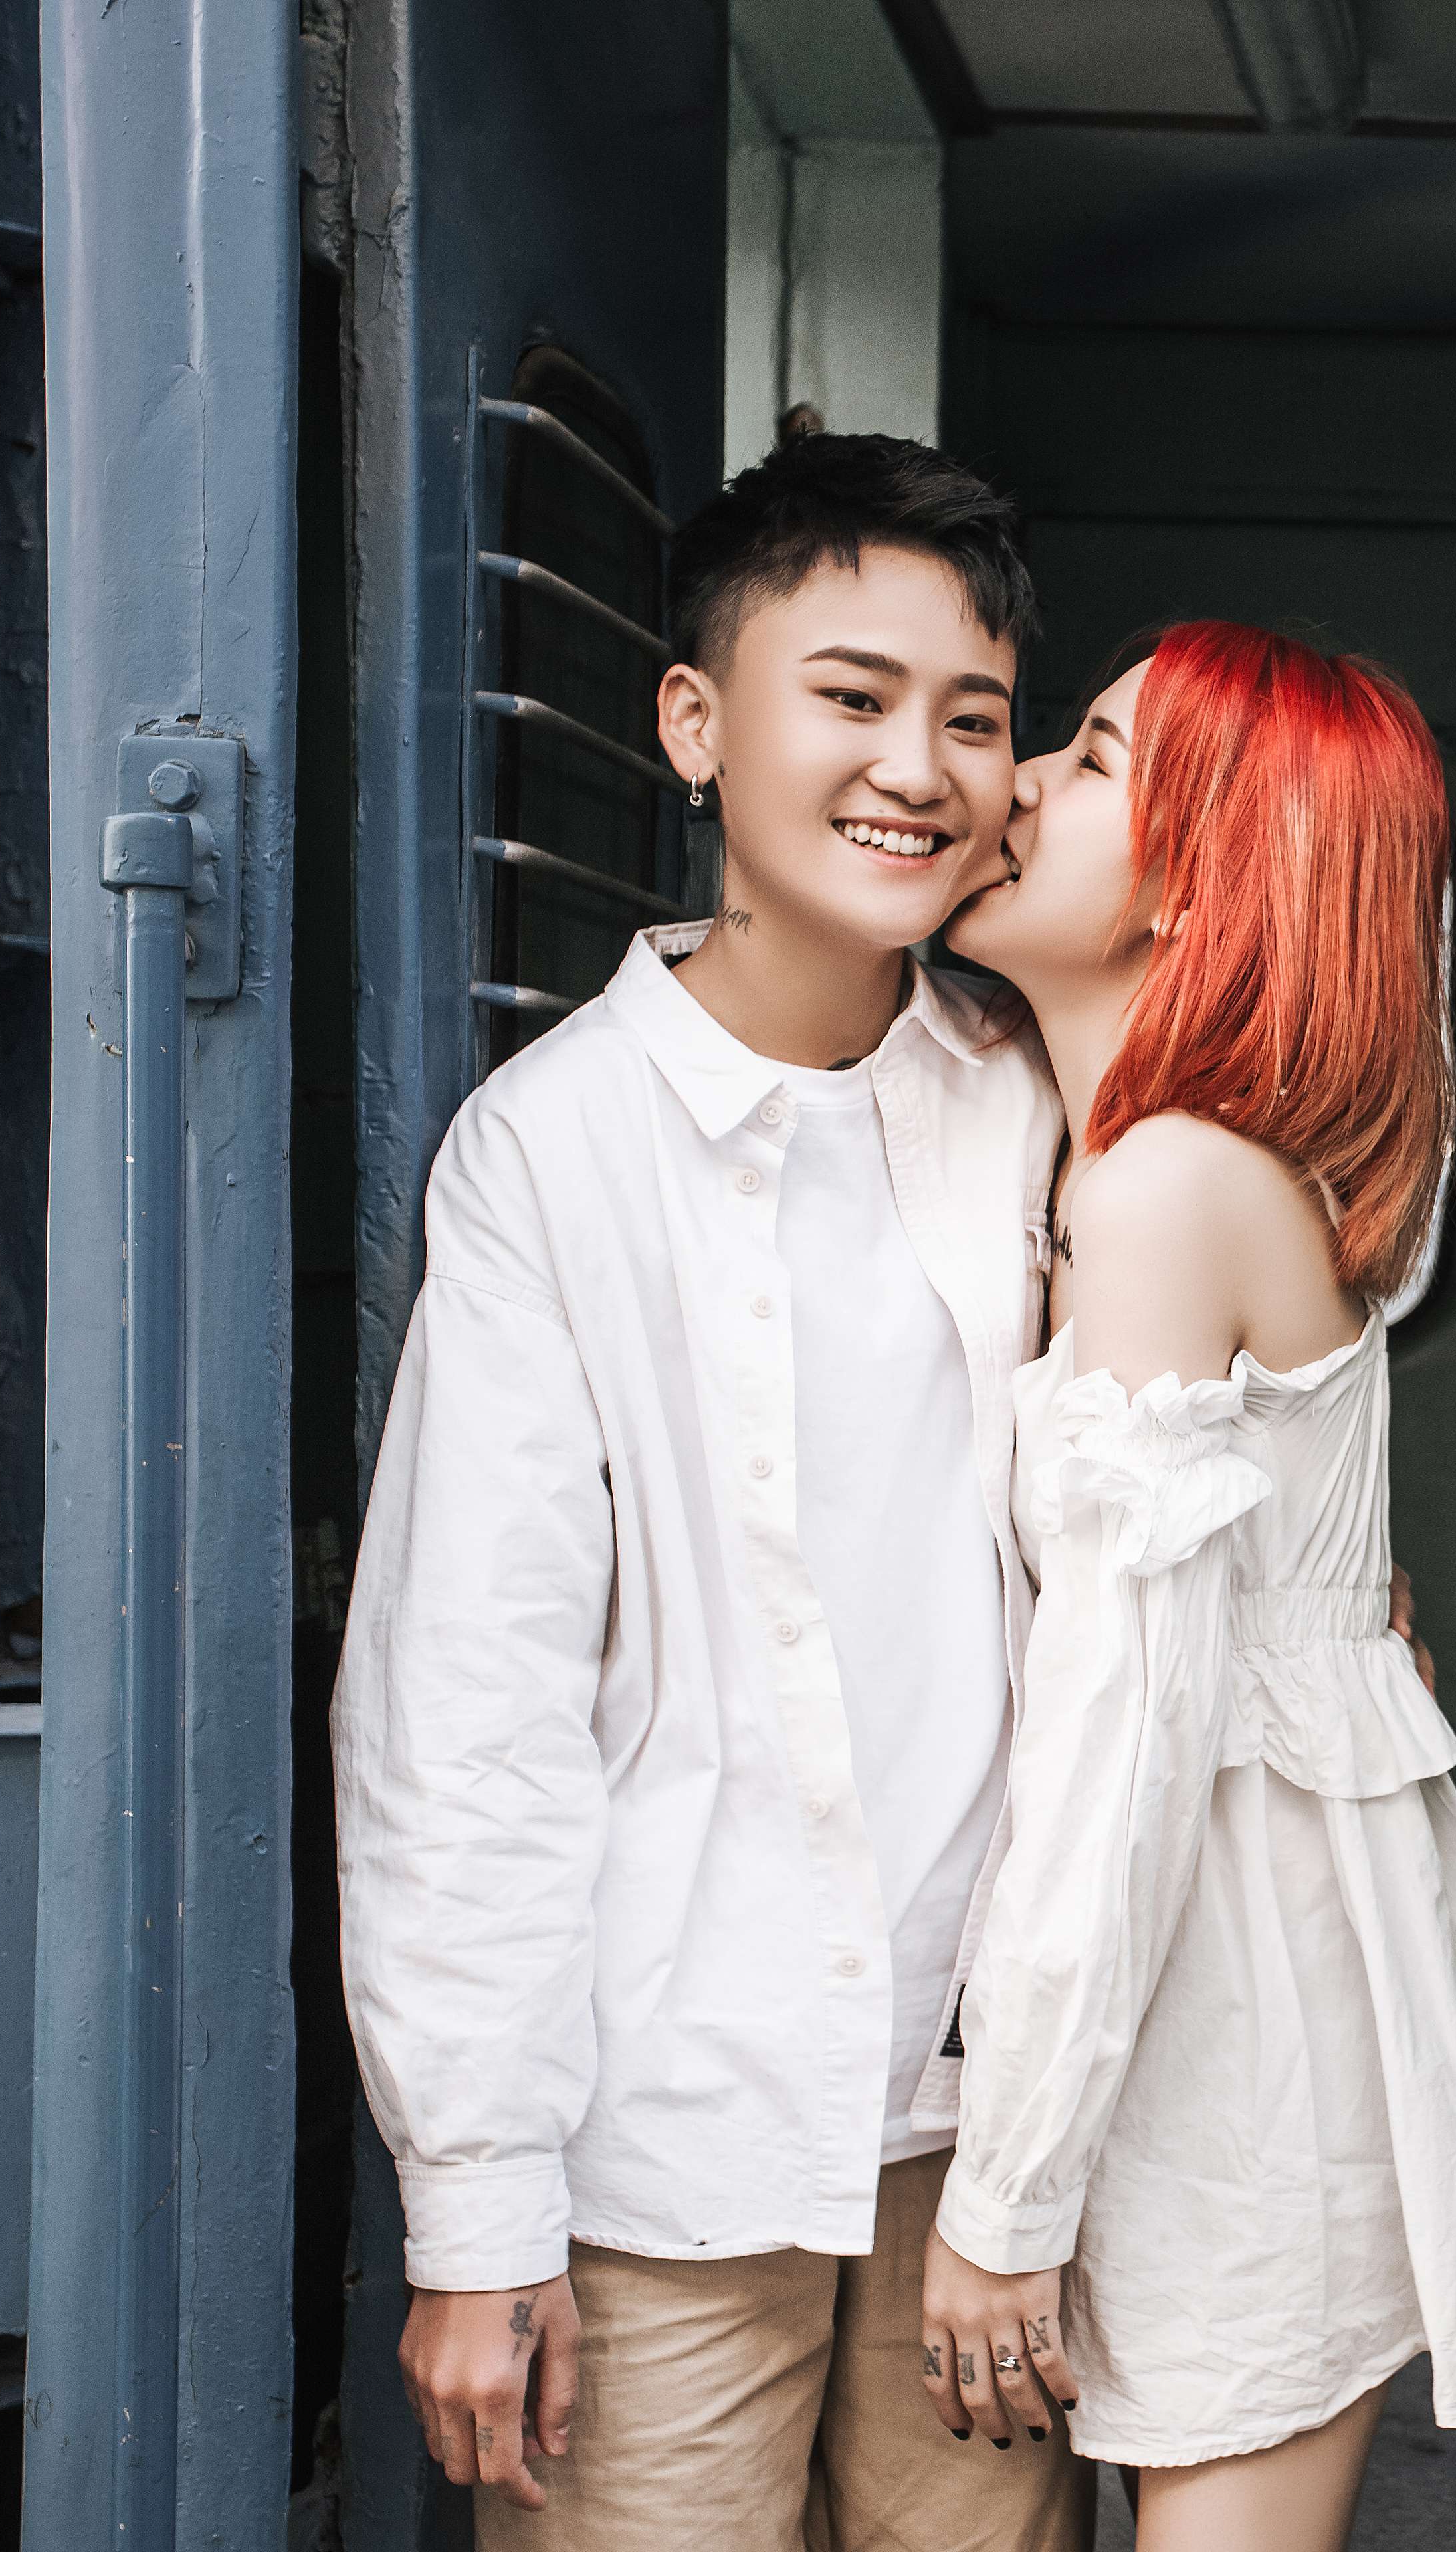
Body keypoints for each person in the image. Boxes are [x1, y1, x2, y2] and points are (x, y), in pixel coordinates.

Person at [331, 429, 1096, 2545]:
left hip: (989, 2138)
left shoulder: (1038, 1099)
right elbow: (466, 1710)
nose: (919, 769)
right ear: (696, 723)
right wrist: (476, 2207)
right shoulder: (548, 1149)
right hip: (665, 2144)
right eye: (852, 697)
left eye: (976, 719)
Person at [910, 625, 1456, 2548]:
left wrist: (1006, 2203)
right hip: (1247, 1970)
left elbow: (1130, 1741)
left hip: (1233, 2003)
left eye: (1088, 758)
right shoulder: (1126, 1158)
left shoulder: (1165, 1186)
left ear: (1201, 885)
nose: (1016, 782)